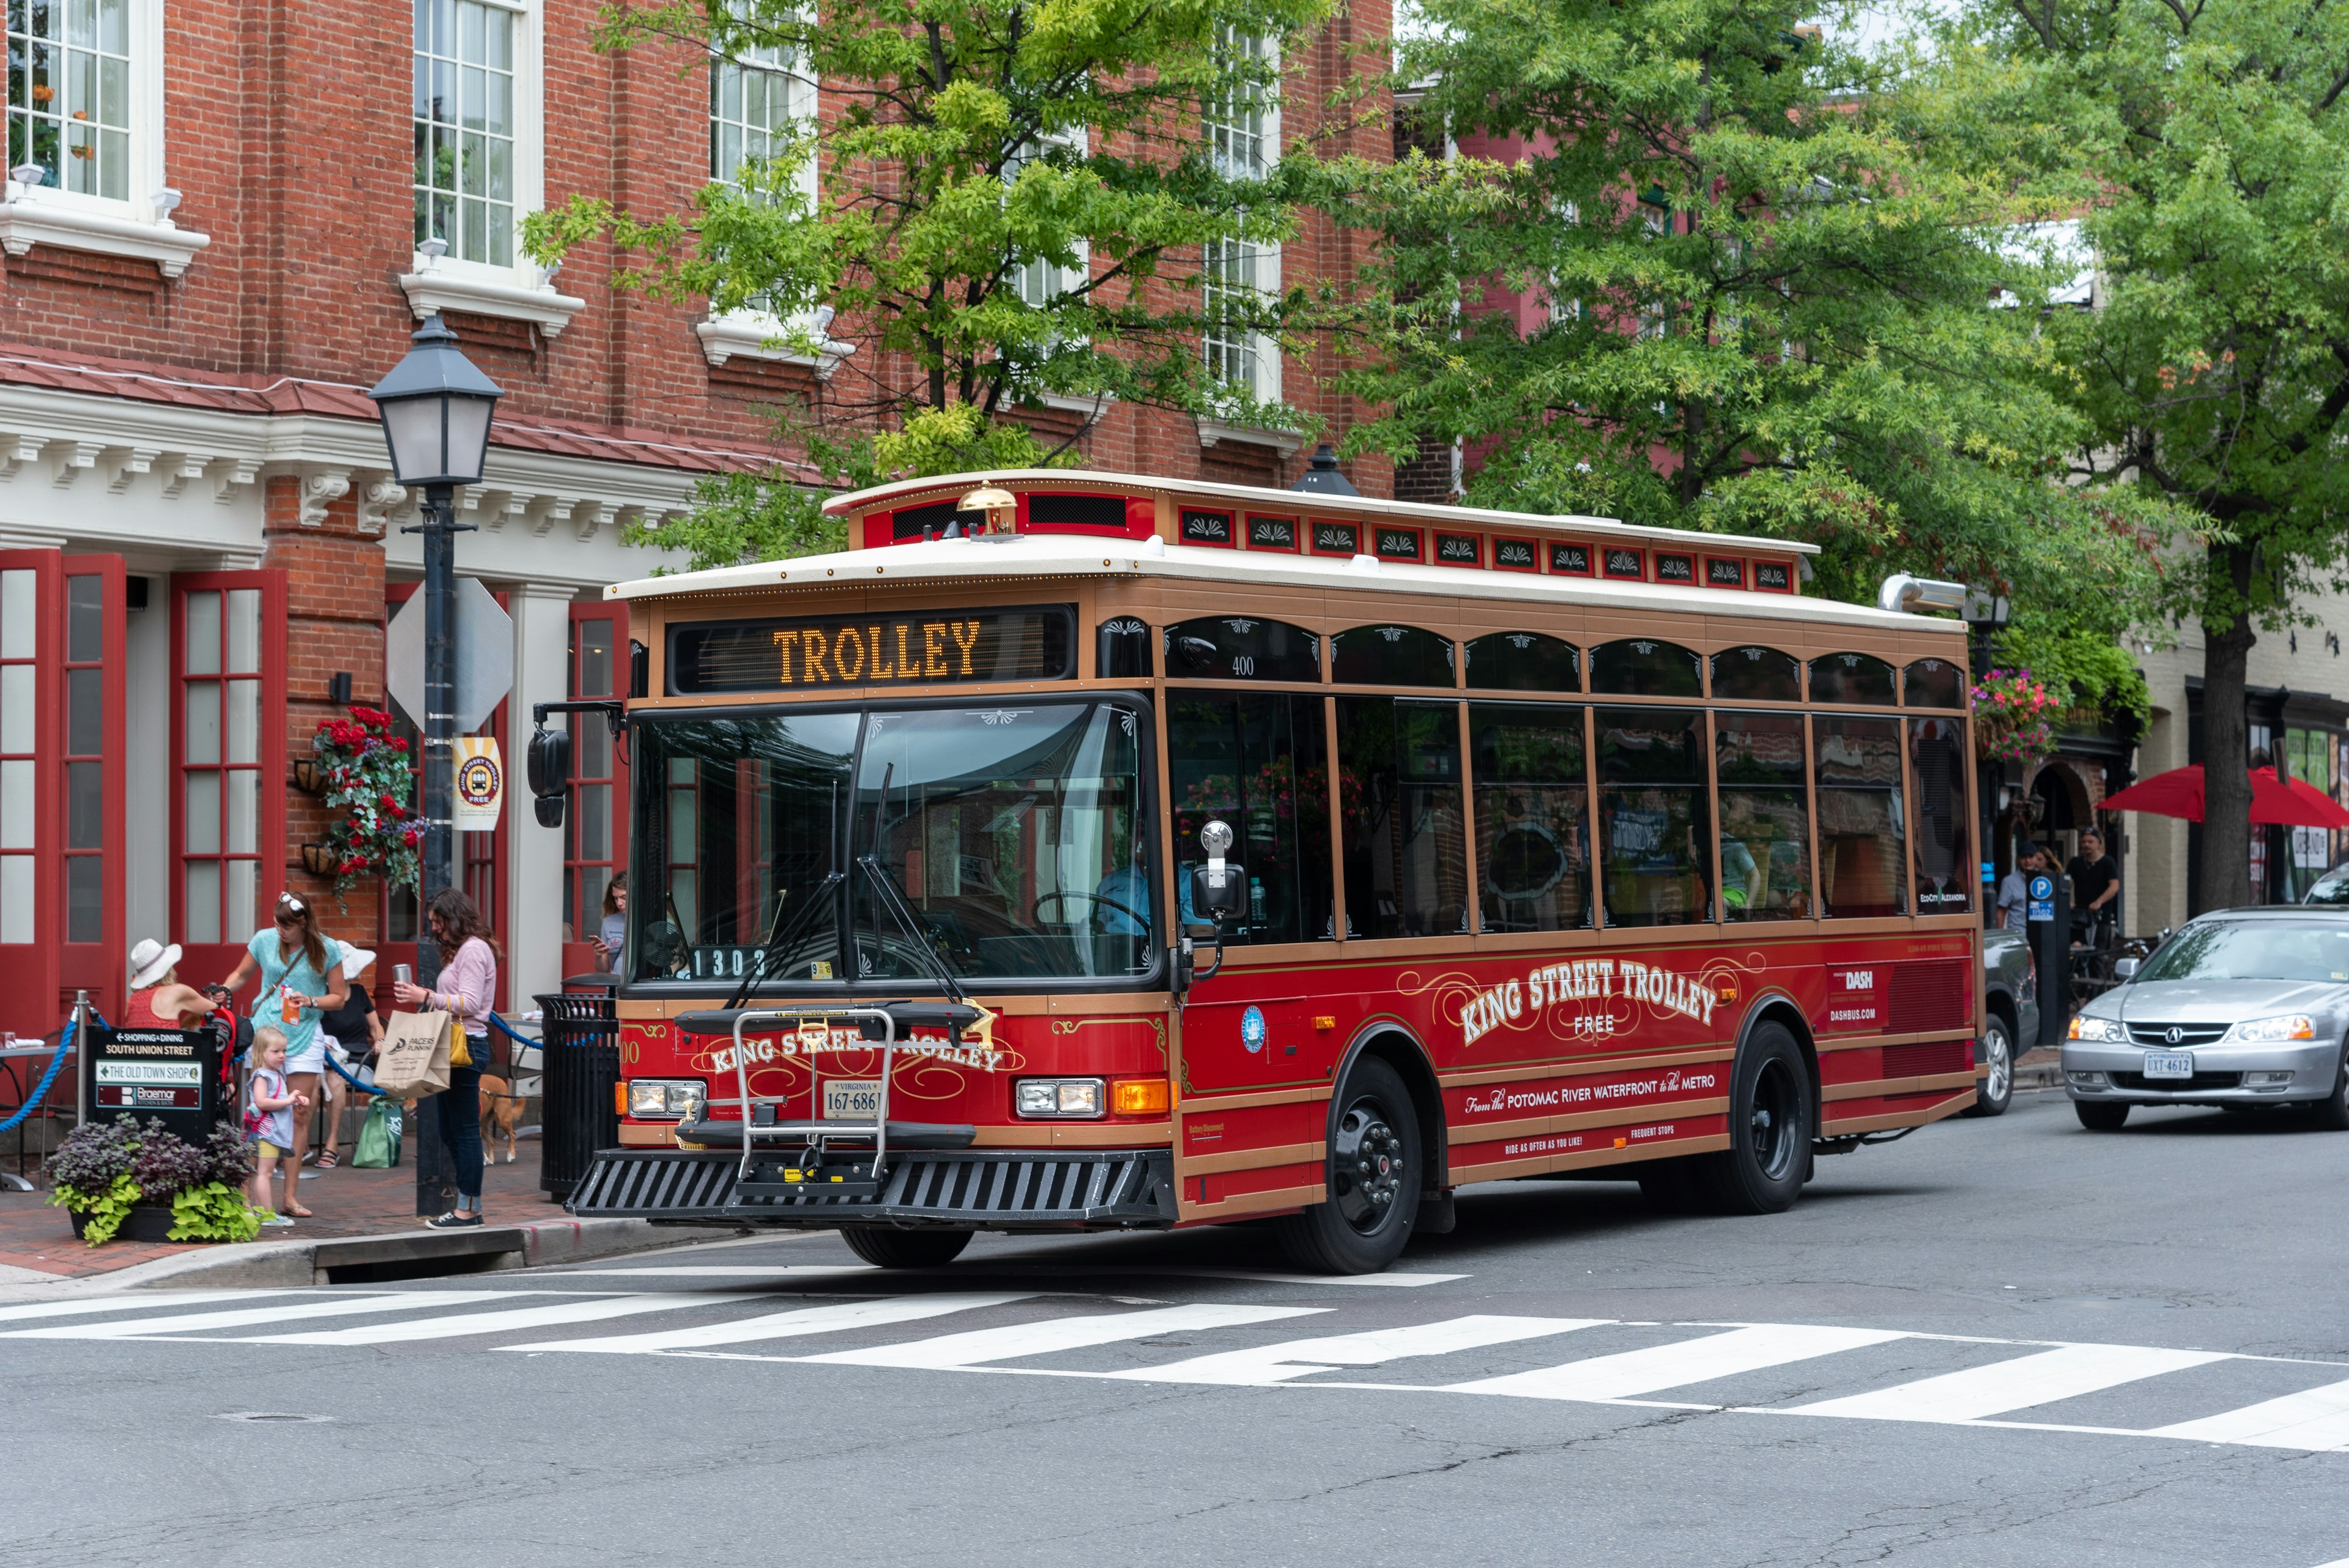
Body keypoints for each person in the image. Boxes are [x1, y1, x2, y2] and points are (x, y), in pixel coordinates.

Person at [218, 894, 349, 1217]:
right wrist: (223, 991)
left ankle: (289, 1198)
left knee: (299, 1114)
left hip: (304, 1037)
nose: (280, 930)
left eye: (286, 926)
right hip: (265, 1035)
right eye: (277, 923)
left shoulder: (327, 949)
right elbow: (241, 975)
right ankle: (245, 1196)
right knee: (256, 1114)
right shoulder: (264, 939)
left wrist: (312, 1001)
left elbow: (339, 998)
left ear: (303, 923)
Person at [393, 887, 497, 1230]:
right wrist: (429, 998)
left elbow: (469, 1002)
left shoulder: (474, 950)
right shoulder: (463, 950)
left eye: (439, 922)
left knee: (464, 1131)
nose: (434, 929)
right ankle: (469, 1205)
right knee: (452, 1131)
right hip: (453, 1044)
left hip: (465, 1045)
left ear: (455, 917)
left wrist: (426, 995)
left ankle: (469, 1210)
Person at [314, 946, 382, 1170]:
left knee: (335, 1079)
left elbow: (376, 1027)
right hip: (323, 1059)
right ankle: (299, 1146)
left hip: (359, 1060)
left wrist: (380, 1042)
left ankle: (332, 1145)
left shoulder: (360, 994)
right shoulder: (319, 996)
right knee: (310, 1080)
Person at [244, 1027, 305, 1227]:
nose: (282, 1056)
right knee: (265, 1173)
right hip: (267, 1132)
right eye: (276, 1051)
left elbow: (276, 1100)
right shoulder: (263, 1075)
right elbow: (262, 1102)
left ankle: (263, 1213)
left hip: (269, 1131)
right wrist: (288, 1101)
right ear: (262, 1052)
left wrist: (294, 1100)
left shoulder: (275, 1074)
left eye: (284, 1051)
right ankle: (267, 1215)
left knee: (263, 1172)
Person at [122, 938, 220, 1030]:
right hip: (169, 1048)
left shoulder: (131, 1001)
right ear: (169, 968)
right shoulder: (176, 992)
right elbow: (220, 1013)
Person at [2068, 828, 2120, 946]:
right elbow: (2066, 885)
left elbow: (2115, 885)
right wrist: (2066, 900)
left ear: (2099, 843)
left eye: (2090, 842)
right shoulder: (2075, 863)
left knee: (2098, 953)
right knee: (2077, 949)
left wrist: (2099, 902)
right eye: (2084, 842)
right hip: (2080, 915)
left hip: (2100, 916)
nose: (2086, 845)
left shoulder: (2107, 862)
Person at [1997, 844, 2046, 933]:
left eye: (2031, 857)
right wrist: (1999, 936)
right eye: (2024, 857)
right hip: (2018, 935)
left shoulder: (2044, 880)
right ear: (2018, 859)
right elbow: (2001, 911)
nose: (2028, 861)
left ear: (2036, 859)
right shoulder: (2009, 882)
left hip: (2040, 935)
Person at [590, 872, 629, 973]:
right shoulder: (609, 922)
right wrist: (598, 956)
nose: (619, 903)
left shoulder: (650, 921)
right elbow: (602, 970)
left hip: (641, 986)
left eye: (624, 898)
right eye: (616, 898)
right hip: (615, 986)